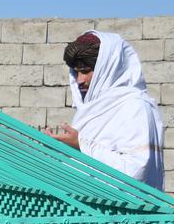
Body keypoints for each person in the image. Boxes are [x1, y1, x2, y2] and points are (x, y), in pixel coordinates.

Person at [45, 31, 164, 189]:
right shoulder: (92, 109)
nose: (79, 80)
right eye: (76, 72)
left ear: (107, 68)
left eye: (85, 71)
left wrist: (82, 145)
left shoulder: (134, 106)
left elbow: (135, 171)